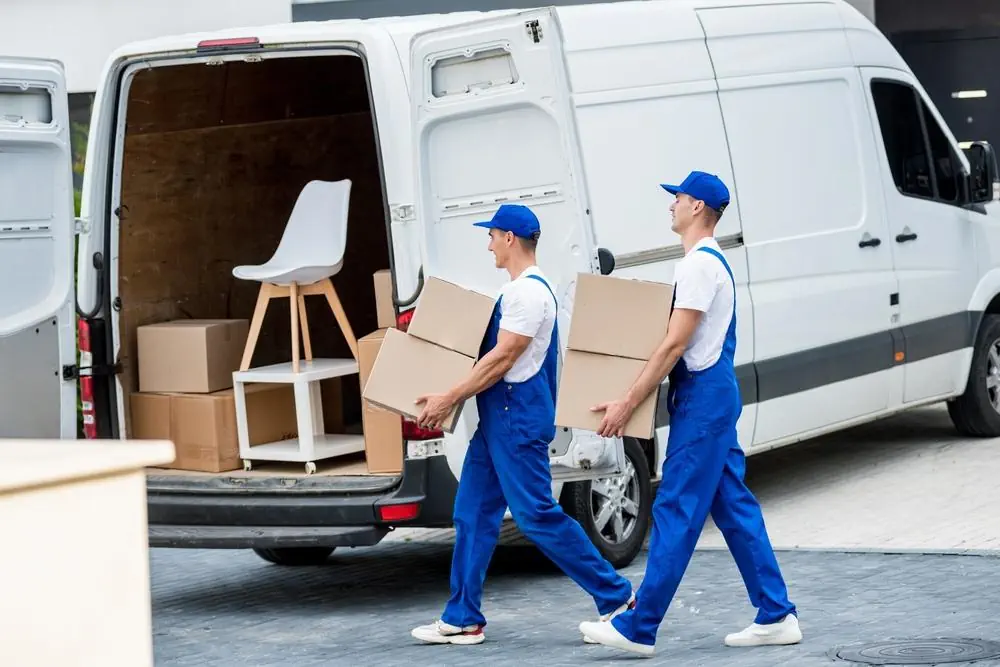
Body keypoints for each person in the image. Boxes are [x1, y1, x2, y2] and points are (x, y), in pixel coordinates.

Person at [579, 172, 801, 657]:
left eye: (677, 198)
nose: (671, 205)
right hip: (709, 393)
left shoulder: (699, 266)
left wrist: (627, 401)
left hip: (703, 399)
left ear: (697, 206)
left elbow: (675, 344)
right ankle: (776, 612)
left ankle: (640, 626)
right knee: (733, 505)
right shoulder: (705, 263)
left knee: (676, 507)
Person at [409, 203, 635, 646]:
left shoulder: (526, 294)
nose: (488, 243)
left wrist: (449, 397)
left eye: (492, 235)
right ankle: (463, 616)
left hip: (516, 420)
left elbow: (502, 359)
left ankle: (618, 598)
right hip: (499, 420)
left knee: (536, 516)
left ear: (510, 238)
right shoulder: (516, 291)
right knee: (472, 512)